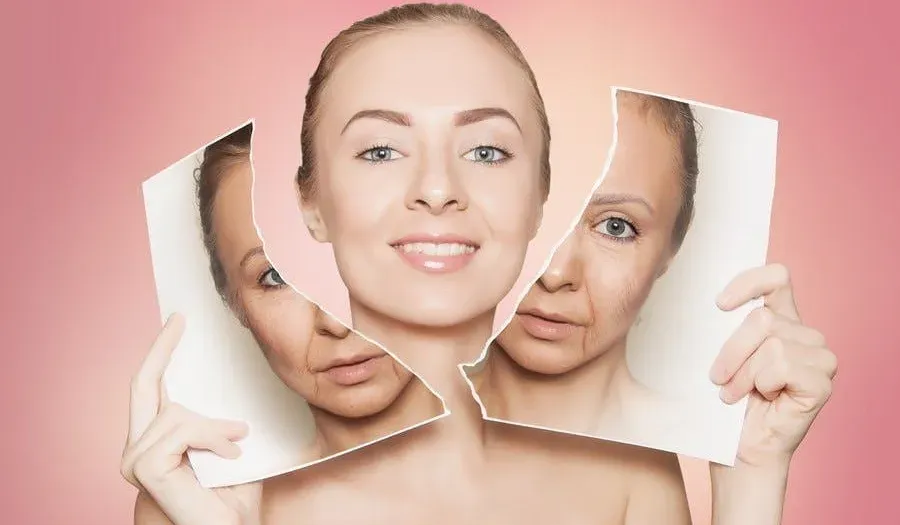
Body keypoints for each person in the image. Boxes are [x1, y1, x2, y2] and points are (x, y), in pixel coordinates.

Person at [123, 4, 837, 525]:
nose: (437, 189)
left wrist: (752, 477)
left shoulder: (626, 472)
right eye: (379, 150)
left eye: (487, 150)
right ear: (311, 201)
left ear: (541, 196)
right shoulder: (214, 498)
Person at [121, 124, 444, 524]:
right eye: (276, 277)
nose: (334, 321)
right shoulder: (193, 509)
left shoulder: (541, 464)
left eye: (356, 247)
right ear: (234, 305)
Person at [467, 91, 735, 444]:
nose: (554, 273)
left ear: (675, 242)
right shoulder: (394, 424)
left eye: (615, 226)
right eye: (526, 202)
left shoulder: (709, 442)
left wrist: (760, 467)